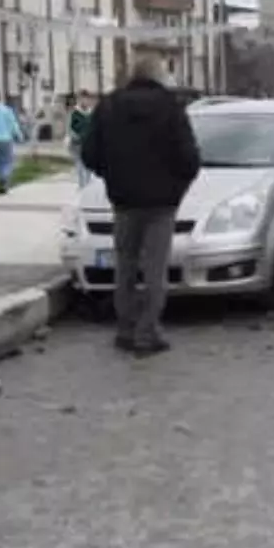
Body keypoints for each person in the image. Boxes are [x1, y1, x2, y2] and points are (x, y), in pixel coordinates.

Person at [81, 55, 200, 356]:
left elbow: (89, 153)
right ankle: (148, 333)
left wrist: (111, 174)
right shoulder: (171, 107)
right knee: (154, 270)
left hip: (123, 200)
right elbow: (189, 157)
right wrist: (176, 187)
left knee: (125, 265)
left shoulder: (109, 106)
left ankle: (125, 329)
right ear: (159, 76)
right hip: (162, 203)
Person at [68, 90, 95, 187]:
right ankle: (82, 184)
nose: (85, 101)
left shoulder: (92, 113)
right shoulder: (75, 113)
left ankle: (87, 183)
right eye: (82, 99)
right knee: (80, 165)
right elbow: (71, 127)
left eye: (87, 99)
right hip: (77, 143)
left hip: (89, 143)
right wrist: (76, 136)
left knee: (88, 166)